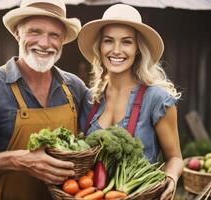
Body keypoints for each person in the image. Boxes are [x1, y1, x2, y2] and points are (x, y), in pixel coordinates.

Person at [0, 0, 87, 199]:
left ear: (62, 40)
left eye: (54, 35)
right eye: (35, 32)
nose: (44, 43)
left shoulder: (74, 87)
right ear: (17, 32)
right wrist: (19, 160)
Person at [78, 4, 183, 200]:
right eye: (108, 41)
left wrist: (171, 177)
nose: (116, 50)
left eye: (126, 42)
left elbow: (175, 158)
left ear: (138, 49)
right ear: (99, 47)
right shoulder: (90, 99)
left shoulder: (157, 99)